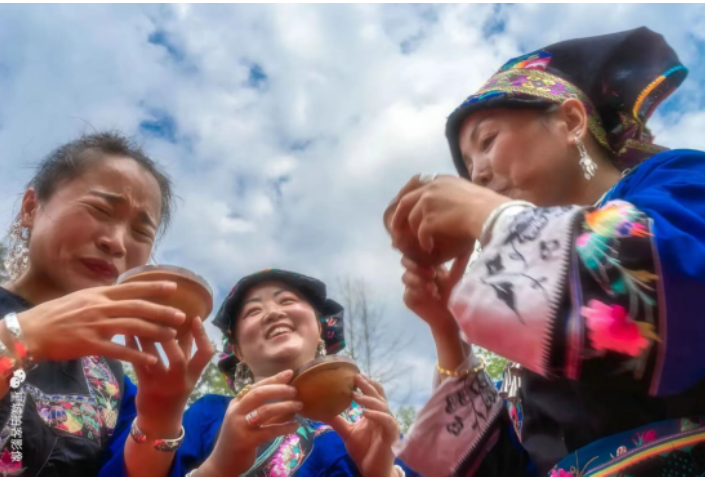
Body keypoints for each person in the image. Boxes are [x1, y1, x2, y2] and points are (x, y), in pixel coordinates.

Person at [390, 27, 705, 477]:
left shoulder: (678, 178)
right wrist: (447, 330)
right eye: (467, 165)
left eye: (486, 142)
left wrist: (488, 215)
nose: (476, 174)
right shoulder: (538, 316)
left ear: (572, 120)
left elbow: (684, 296)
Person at [0, 132, 212, 476]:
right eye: (99, 209)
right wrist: (21, 338)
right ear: (30, 208)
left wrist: (160, 417)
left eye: (141, 234)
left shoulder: (110, 377)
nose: (116, 243)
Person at [103, 269, 415, 477]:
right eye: (253, 311)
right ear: (236, 350)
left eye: (288, 301)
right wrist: (217, 469)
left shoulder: (370, 422)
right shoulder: (208, 415)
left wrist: (382, 473)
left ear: (320, 329)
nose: (274, 312)